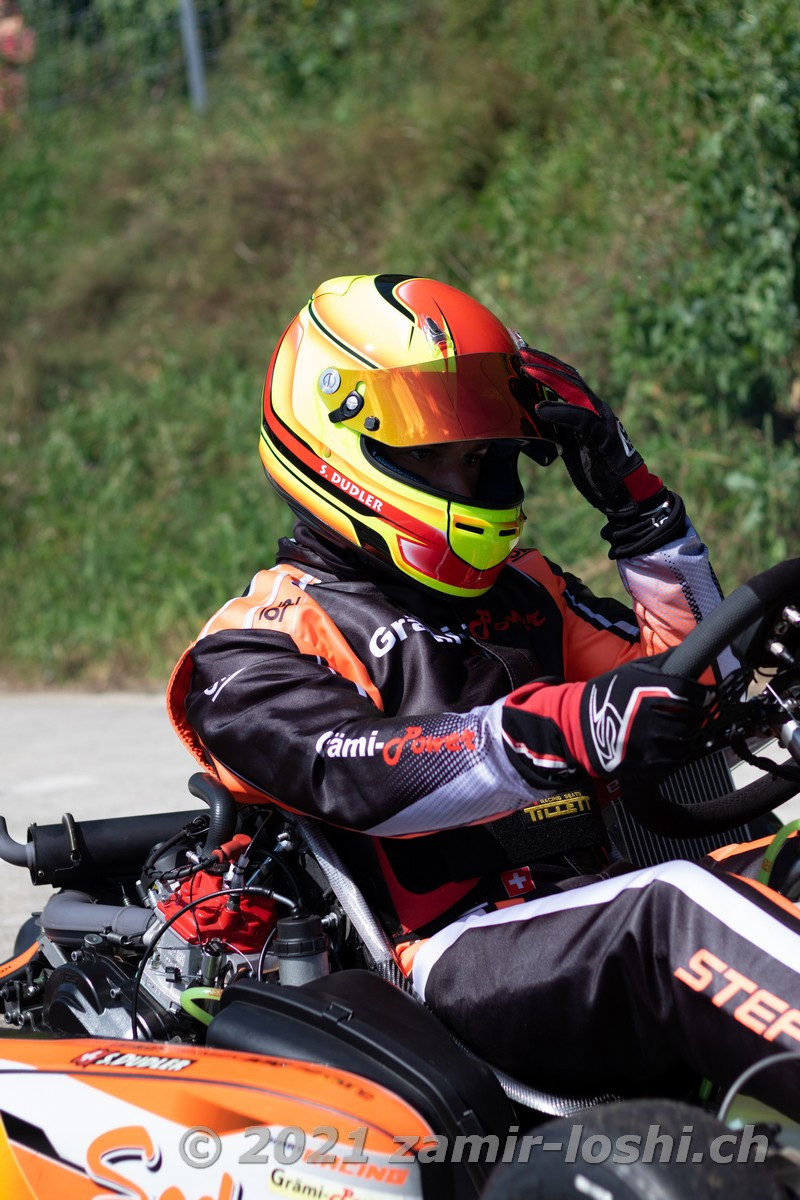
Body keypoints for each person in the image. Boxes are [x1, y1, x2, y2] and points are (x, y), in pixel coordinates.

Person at [168, 273, 800, 1113]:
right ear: (335, 436)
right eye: (440, 448)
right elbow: (355, 773)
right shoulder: (256, 641)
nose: (474, 471)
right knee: (676, 908)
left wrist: (636, 502)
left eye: (485, 450)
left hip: (589, 914)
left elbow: (695, 685)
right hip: (456, 961)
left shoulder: (527, 590)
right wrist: (564, 728)